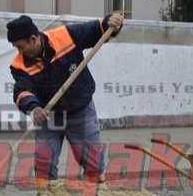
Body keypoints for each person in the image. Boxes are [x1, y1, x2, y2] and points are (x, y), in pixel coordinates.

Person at [7, 12, 124, 186]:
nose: (19, 51)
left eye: (20, 46)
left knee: (93, 164)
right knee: (43, 164)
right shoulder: (19, 65)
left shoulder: (65, 36)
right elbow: (21, 91)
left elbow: (97, 30)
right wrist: (33, 108)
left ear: (34, 39)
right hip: (48, 116)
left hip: (80, 110)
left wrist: (111, 22)